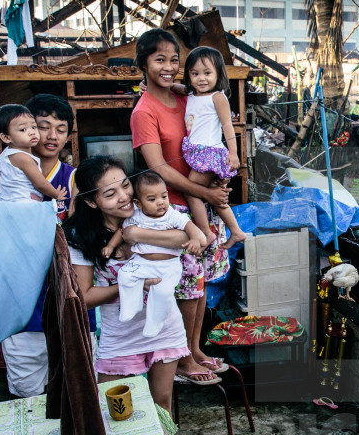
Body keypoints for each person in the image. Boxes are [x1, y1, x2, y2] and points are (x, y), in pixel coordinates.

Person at [130, 28, 233, 385]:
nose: (170, 67)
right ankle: (183, 360)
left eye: (175, 60)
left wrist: (217, 180)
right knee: (186, 287)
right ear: (143, 63)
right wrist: (205, 194)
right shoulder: (144, 111)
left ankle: (196, 349)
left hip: (200, 203)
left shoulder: (186, 97)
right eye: (160, 59)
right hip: (171, 212)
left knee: (200, 283)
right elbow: (159, 170)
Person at [64, 157, 191, 415]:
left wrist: (138, 235)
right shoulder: (80, 236)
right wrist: (133, 286)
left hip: (164, 327)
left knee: (162, 405)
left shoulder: (149, 208)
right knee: (115, 411)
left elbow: (186, 236)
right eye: (110, 193)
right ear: (91, 201)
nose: (123, 197)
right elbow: (84, 297)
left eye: (125, 185)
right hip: (120, 336)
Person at [0, 95, 82, 396]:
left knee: (75, 388)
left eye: (61, 128)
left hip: (65, 294)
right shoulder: (0, 178)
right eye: (42, 127)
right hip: (21, 297)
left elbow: (78, 232)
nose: (51, 136)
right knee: (28, 391)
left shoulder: (72, 178)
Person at [104, 171, 206, 339]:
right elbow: (121, 231)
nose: (160, 203)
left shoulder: (172, 215)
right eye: (152, 199)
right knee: (125, 275)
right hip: (142, 262)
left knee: (163, 294)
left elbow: (189, 226)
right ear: (138, 203)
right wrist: (110, 245)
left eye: (164, 197)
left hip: (168, 266)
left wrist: (194, 238)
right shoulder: (136, 216)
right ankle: (131, 307)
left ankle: (155, 322)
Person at [179, 46, 247, 250]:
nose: (201, 78)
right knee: (214, 195)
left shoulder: (217, 97)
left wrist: (234, 153)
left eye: (207, 73)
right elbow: (177, 88)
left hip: (208, 154)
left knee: (192, 192)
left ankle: (206, 234)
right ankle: (236, 231)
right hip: (199, 151)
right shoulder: (191, 94)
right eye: (195, 73)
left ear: (218, 74)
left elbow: (228, 126)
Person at [0, 104, 67, 203]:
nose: (32, 132)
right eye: (23, 129)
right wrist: (57, 194)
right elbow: (40, 184)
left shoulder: (5, 155)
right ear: (6, 137)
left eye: (34, 127)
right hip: (23, 207)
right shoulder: (23, 158)